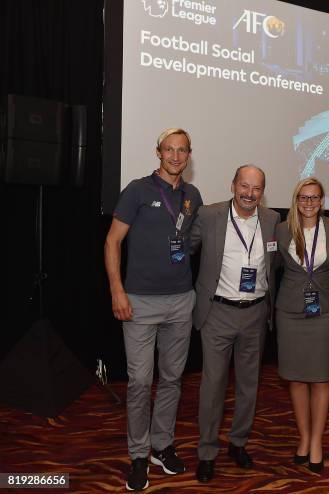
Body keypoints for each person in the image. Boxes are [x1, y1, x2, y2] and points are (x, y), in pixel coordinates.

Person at [104, 128, 203, 492]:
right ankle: (139, 455)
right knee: (141, 382)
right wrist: (117, 289)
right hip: (140, 302)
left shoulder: (192, 195)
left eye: (182, 151)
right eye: (168, 150)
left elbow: (190, 243)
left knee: (173, 379)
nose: (175, 156)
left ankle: (162, 445)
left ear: (189, 154)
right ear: (158, 153)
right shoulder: (137, 190)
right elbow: (112, 241)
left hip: (181, 300)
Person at [190, 165, 280, 483]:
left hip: (255, 314)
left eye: (256, 188)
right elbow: (186, 249)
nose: (249, 193)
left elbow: (275, 264)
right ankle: (207, 452)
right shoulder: (209, 215)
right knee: (212, 386)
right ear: (233, 186)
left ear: (262, 192)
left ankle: (238, 443)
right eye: (244, 186)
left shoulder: (271, 220)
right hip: (218, 313)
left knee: (248, 385)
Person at [275, 177, 329, 473]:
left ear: (322, 201)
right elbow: (271, 268)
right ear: (296, 201)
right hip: (290, 313)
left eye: (314, 197)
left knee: (321, 379)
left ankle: (317, 441)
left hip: (325, 314)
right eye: (303, 198)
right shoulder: (281, 230)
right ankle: (304, 438)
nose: (308, 203)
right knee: (295, 379)